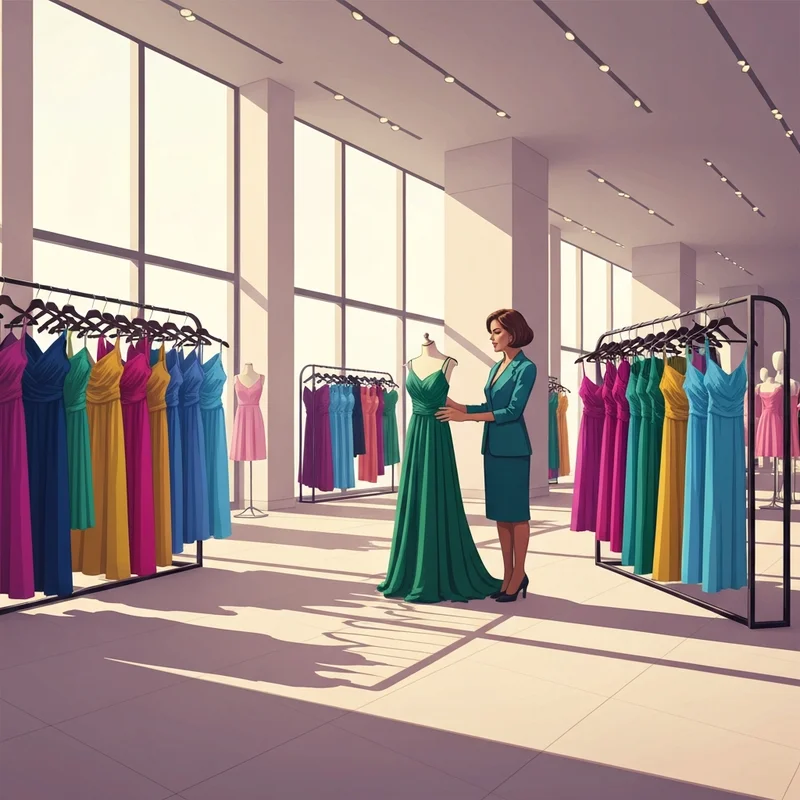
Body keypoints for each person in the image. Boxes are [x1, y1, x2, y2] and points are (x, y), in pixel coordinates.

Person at [435, 308, 537, 602]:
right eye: (491, 332)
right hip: (492, 447)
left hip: (515, 449)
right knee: (501, 516)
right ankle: (508, 575)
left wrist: (465, 419)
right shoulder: (495, 368)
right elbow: (488, 403)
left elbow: (513, 411)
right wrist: (460, 406)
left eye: (497, 332)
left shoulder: (526, 368)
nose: (492, 338)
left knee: (517, 515)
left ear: (513, 333)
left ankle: (519, 575)